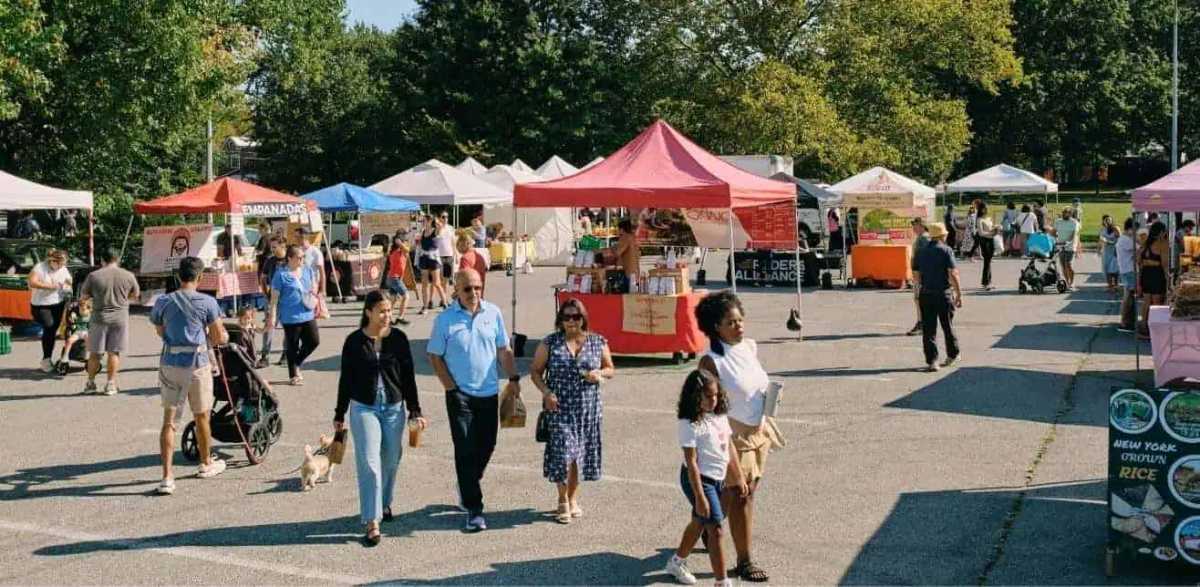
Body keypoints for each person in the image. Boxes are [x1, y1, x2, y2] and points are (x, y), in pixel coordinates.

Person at [427, 268, 521, 533]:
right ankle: (474, 510)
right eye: (467, 288)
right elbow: (435, 355)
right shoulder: (445, 320)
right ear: (456, 289)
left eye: (477, 287)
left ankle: (467, 482)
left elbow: (503, 349)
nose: (473, 293)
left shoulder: (493, 313)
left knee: (487, 445)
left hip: (489, 393)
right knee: (465, 449)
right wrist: (450, 387)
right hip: (460, 396)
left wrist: (513, 377)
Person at [334, 291, 426, 547]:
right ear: (368, 313)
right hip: (364, 408)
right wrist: (339, 413)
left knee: (391, 459)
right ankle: (372, 520)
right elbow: (346, 379)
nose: (387, 315)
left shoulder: (399, 339)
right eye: (382, 311)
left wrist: (415, 409)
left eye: (389, 311)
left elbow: (408, 376)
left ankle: (384, 502)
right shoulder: (354, 341)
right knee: (370, 463)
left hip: (394, 408)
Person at [694, 291, 773, 583]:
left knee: (736, 494)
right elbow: (707, 408)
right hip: (730, 436)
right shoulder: (712, 362)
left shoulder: (748, 347)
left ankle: (707, 524)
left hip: (758, 432)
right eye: (731, 322)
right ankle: (745, 560)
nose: (739, 326)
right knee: (742, 495)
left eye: (740, 320)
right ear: (716, 327)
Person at [530, 299, 614, 524]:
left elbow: (610, 368)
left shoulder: (597, 341)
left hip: (588, 409)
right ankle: (562, 500)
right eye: (566, 317)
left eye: (576, 317)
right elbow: (535, 371)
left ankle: (573, 498)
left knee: (578, 457)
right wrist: (546, 392)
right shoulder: (550, 343)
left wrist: (599, 373)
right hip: (559, 407)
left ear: (583, 318)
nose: (571, 321)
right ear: (560, 320)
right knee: (563, 453)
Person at [150, 256, 229, 494]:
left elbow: (160, 331)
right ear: (200, 277)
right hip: (197, 364)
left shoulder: (163, 301)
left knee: (169, 421)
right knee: (201, 415)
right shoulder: (207, 302)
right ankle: (205, 463)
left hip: (171, 362)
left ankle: (167, 477)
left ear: (178, 276)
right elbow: (218, 337)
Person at [664, 369, 746, 587]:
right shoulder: (689, 423)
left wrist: (738, 477)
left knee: (700, 521)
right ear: (695, 396)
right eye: (708, 396)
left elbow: (728, 446)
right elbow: (691, 462)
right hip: (698, 479)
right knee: (715, 529)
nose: (713, 400)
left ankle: (676, 562)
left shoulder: (719, 416)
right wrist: (700, 497)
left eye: (716, 395)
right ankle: (722, 582)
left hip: (718, 478)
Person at [78, 248, 140, 395]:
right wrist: (124, 299)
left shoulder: (93, 276)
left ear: (102, 260)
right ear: (117, 259)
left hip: (99, 318)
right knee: (114, 353)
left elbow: (84, 297)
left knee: (95, 354)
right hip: (120, 318)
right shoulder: (129, 275)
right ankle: (110, 384)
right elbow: (135, 295)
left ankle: (90, 383)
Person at [267, 244, 321, 386]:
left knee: (314, 341)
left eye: (303, 257)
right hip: (290, 316)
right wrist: (272, 316)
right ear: (290, 258)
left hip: (307, 313)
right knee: (292, 346)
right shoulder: (281, 275)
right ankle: (293, 375)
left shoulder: (307, 270)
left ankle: (297, 362)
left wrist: (315, 293)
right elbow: (274, 299)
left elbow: (313, 287)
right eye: (299, 257)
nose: (302, 260)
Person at [912, 223, 961, 372]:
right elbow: (952, 274)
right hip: (943, 293)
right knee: (947, 326)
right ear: (941, 236)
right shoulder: (946, 250)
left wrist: (918, 291)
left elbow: (916, 275)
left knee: (928, 329)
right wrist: (959, 293)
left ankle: (932, 361)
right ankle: (952, 354)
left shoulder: (921, 251)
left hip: (926, 293)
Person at [28, 249, 72, 373]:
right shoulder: (40, 268)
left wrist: (68, 286)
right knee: (49, 326)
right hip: (40, 304)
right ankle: (46, 359)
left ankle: (48, 358)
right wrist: (50, 286)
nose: (61, 267)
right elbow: (32, 282)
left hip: (58, 303)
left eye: (63, 264)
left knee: (52, 331)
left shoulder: (63, 269)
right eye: (59, 264)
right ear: (52, 261)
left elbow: (68, 281)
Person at [257, 236, 287, 367]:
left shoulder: (289, 259)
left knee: (288, 328)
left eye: (275, 247)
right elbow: (263, 278)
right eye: (271, 247)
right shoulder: (270, 260)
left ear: (283, 245)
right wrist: (265, 294)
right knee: (269, 326)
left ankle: (286, 354)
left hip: (287, 300)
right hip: (272, 299)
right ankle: (265, 356)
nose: (272, 250)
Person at [1139, 221, 1170, 339]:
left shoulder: (1145, 243)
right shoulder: (1162, 244)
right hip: (1157, 274)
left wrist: (1147, 262)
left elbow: (1138, 259)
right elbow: (1165, 264)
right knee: (1156, 303)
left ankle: (1144, 326)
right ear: (1161, 232)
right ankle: (1155, 330)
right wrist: (1168, 279)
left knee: (1146, 301)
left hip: (1145, 274)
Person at [418, 216, 448, 315]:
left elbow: (441, 226)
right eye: (422, 221)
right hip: (424, 257)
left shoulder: (435, 231)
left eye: (424, 220)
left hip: (433, 258)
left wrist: (435, 219)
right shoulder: (422, 232)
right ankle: (425, 306)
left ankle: (445, 303)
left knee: (436, 283)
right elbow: (420, 244)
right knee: (424, 284)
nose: (422, 222)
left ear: (429, 221)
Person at [906, 219, 929, 336]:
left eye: (915, 225)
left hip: (920, 274)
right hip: (922, 274)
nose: (913, 228)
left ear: (922, 226)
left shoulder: (923, 239)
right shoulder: (923, 237)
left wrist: (916, 275)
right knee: (919, 299)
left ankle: (921, 324)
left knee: (919, 299)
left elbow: (920, 259)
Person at [1051, 207, 1081, 291]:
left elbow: (1074, 234)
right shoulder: (1058, 221)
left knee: (1069, 264)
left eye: (1066, 213)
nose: (1064, 214)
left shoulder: (1074, 222)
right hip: (1060, 246)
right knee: (1063, 266)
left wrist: (1069, 241)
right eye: (1063, 212)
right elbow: (1053, 232)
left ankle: (1072, 282)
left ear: (1070, 214)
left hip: (1070, 246)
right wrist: (1056, 238)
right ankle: (1067, 283)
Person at [1116, 218, 1138, 332]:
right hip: (1129, 270)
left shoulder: (1124, 239)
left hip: (1127, 270)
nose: (1135, 233)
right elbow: (1139, 248)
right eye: (1134, 230)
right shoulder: (1126, 240)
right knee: (1128, 297)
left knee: (1130, 296)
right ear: (1130, 229)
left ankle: (1127, 321)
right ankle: (1125, 322)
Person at [385, 235, 411, 326]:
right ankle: (400, 317)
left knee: (393, 299)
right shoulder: (398, 251)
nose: (407, 243)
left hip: (392, 278)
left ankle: (388, 319)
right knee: (406, 296)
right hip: (394, 278)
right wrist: (400, 243)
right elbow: (407, 250)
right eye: (405, 241)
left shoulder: (394, 251)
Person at [298, 227, 326, 300]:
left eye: (297, 237)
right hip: (299, 286)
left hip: (312, 287)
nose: (296, 239)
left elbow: (322, 272)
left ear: (304, 237)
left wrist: (323, 290)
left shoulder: (315, 252)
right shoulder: (297, 251)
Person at [976, 203, 997, 290]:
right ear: (981, 210)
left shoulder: (988, 218)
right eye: (984, 208)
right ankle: (985, 282)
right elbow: (981, 233)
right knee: (987, 261)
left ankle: (988, 281)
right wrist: (991, 233)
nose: (986, 210)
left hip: (991, 240)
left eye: (987, 208)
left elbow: (991, 228)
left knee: (988, 261)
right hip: (985, 241)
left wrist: (996, 228)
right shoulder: (979, 220)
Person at [616, 219, 640, 292]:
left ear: (622, 229)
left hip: (627, 270)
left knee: (625, 293)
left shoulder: (625, 238)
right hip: (635, 270)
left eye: (618, 229)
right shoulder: (634, 237)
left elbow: (618, 252)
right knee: (633, 293)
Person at [1099, 215, 1121, 291]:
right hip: (1106, 252)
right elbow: (1100, 240)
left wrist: (1108, 241)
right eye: (1106, 220)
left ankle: (1116, 285)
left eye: (1109, 220)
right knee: (1106, 268)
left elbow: (1119, 240)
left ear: (1112, 220)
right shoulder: (1103, 229)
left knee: (1114, 269)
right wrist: (1099, 249)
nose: (1107, 221)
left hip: (1114, 251)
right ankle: (1110, 285)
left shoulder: (1116, 228)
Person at [438, 212, 456, 285]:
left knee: (447, 276)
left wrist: (455, 253)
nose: (445, 218)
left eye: (447, 217)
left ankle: (445, 290)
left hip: (449, 254)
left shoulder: (451, 228)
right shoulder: (437, 228)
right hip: (439, 255)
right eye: (443, 217)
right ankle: (442, 290)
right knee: (441, 275)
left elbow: (453, 241)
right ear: (440, 218)